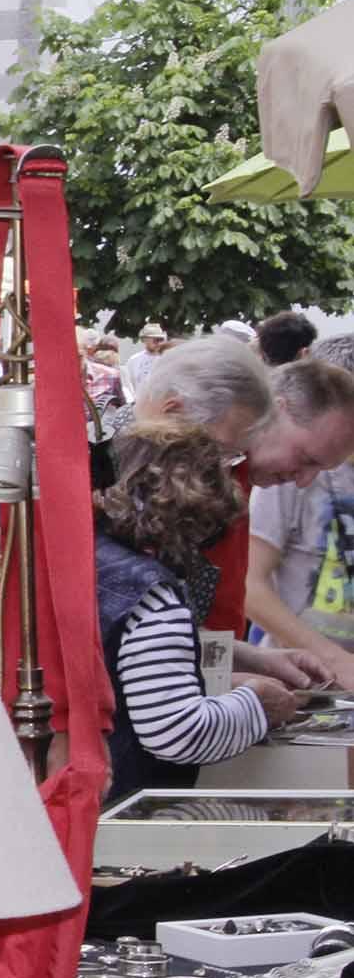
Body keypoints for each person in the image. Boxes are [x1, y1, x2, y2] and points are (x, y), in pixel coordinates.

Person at [96, 421, 297, 806]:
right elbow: (177, 731)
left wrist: (249, 657)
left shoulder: (88, 560)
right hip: (127, 808)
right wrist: (257, 704)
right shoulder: (155, 597)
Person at [137, 340, 354, 665]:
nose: (304, 480)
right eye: (306, 458)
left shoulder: (232, 477)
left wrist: (251, 667)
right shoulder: (139, 489)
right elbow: (146, 634)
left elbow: (194, 627)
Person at [246, 336, 354, 688]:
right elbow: (249, 585)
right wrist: (335, 660)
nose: (306, 478)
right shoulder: (280, 476)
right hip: (306, 684)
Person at [122, 320, 168, 402]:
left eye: (160, 339)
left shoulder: (166, 359)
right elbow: (128, 384)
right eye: (155, 339)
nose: (158, 342)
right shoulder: (134, 360)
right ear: (144, 340)